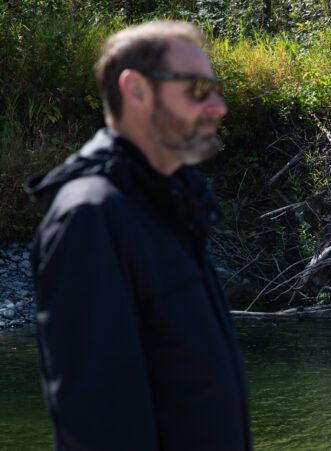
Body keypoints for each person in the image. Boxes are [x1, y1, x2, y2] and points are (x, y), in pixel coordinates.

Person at [26, 21, 251, 450]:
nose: (219, 106)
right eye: (199, 89)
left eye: (216, 88)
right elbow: (99, 427)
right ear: (137, 90)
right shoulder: (90, 217)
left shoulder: (169, 205)